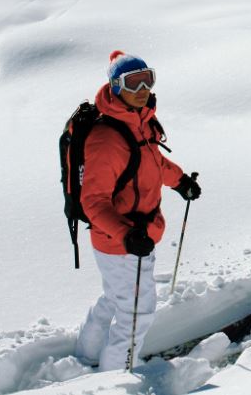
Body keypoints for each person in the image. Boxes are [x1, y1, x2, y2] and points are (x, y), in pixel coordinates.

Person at [75, 51, 201, 371]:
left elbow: (152, 162)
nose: (143, 88)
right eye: (133, 82)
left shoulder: (140, 122)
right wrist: (127, 235)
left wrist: (180, 181)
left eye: (148, 78)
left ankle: (87, 356)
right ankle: (115, 376)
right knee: (137, 312)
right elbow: (93, 201)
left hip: (132, 237)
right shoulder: (107, 138)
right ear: (116, 87)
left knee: (114, 298)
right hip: (122, 241)